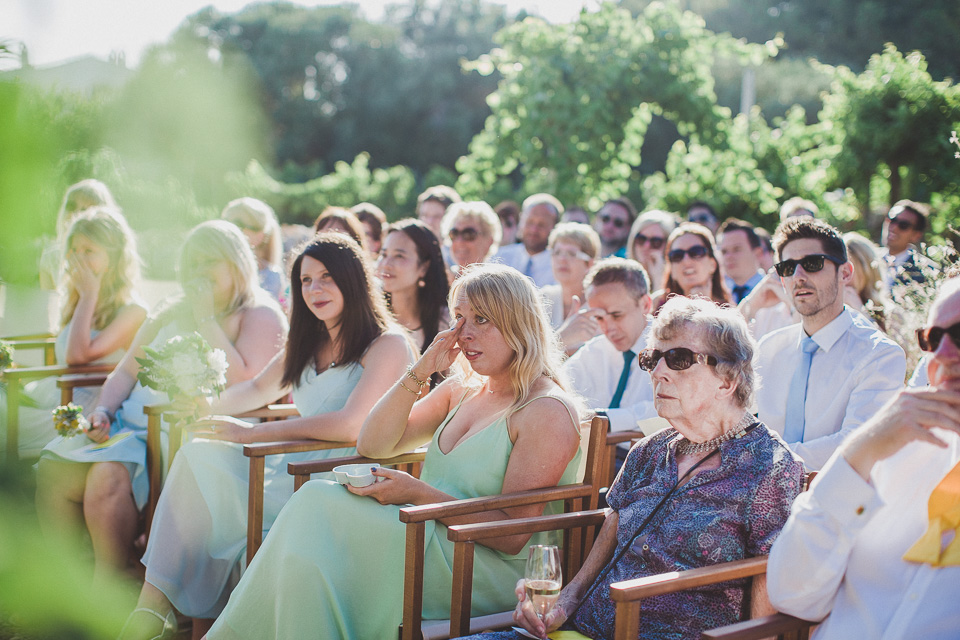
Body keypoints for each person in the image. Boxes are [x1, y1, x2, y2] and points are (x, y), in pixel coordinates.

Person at [204, 264, 584, 640]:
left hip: (481, 566)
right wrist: (421, 369)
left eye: (481, 319)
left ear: (519, 323)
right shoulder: (462, 390)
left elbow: (511, 535)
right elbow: (373, 444)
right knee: (308, 547)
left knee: (317, 513)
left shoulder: (545, 410)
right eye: (458, 318)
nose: (462, 333)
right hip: (422, 534)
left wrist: (416, 493)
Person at [120, 233, 416, 639]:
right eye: (306, 280)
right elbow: (257, 389)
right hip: (287, 469)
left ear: (353, 279)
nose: (314, 289)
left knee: (215, 489)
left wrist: (254, 434)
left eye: (327, 277)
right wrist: (202, 407)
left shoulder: (388, 344)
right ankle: (151, 609)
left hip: (341, 482)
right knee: (198, 454)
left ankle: (192, 619)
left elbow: (352, 424)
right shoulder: (307, 341)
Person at [468, 296, 805, 640]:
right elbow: (611, 526)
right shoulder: (649, 450)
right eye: (652, 359)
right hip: (585, 627)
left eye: (679, 359)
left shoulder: (770, 466)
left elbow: (767, 575)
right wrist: (565, 601)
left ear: (727, 380)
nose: (657, 372)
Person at [36, 220, 287, 586]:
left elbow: (246, 384)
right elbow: (125, 372)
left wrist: (205, 317)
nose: (198, 271)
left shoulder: (260, 314)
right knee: (53, 470)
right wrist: (103, 410)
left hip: (188, 430)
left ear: (236, 263)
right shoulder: (169, 309)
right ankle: (65, 581)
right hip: (129, 424)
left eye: (209, 261)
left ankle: (108, 582)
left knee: (107, 475)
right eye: (192, 263)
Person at [766, 274, 960, 639]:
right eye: (934, 339)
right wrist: (858, 452)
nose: (943, 356)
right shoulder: (888, 453)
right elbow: (793, 595)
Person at [755, 217, 906, 470]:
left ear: (845, 273)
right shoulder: (769, 347)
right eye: (787, 268)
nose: (798, 276)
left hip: (835, 493)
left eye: (812, 264)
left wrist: (762, 463)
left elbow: (858, 443)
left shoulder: (880, 355)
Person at [3, 207, 146, 458]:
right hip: (52, 396)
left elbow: (77, 357)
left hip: (82, 412)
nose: (79, 259)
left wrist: (89, 294)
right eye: (75, 250)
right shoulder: (76, 300)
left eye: (89, 251)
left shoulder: (132, 312)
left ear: (113, 259)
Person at [564, 258, 658, 436]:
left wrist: (605, 419)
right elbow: (547, 393)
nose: (608, 328)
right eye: (599, 318)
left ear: (645, 305)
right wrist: (561, 339)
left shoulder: (673, 348)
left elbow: (667, 412)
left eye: (617, 315)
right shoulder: (595, 350)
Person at [376, 219, 451, 356]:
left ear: (424, 267)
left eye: (399, 256)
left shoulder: (447, 323)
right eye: (384, 254)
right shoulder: (371, 318)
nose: (386, 264)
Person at [39, 178, 118, 290]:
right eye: (71, 207)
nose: (74, 214)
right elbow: (50, 300)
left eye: (85, 210)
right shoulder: (50, 259)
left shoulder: (113, 259)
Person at [539, 223, 601, 355]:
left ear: (590, 264)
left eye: (572, 254)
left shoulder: (601, 307)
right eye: (557, 252)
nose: (562, 259)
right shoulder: (542, 298)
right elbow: (526, 353)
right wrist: (563, 338)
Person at [652, 222, 731, 312]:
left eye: (696, 252)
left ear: (712, 264)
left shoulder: (728, 311)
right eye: (677, 255)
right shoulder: (657, 306)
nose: (686, 261)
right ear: (672, 270)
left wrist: (704, 305)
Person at [220, 197, 286, 305]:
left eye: (237, 225)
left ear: (259, 236)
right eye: (225, 223)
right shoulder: (209, 265)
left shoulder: (271, 277)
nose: (227, 230)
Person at [494, 193, 561, 288]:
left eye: (542, 224)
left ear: (554, 227)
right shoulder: (499, 258)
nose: (534, 230)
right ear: (521, 220)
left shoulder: (560, 267)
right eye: (530, 222)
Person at [880, 199, 935, 291]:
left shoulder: (927, 272)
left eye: (903, 225)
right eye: (892, 219)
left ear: (916, 235)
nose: (894, 227)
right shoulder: (867, 258)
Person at [626, 209, 677, 297]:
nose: (646, 246)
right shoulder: (623, 275)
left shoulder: (676, 279)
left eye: (655, 242)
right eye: (641, 239)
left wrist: (659, 278)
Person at [441, 201, 502, 274]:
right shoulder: (440, 277)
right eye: (454, 234)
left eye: (468, 234)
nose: (459, 241)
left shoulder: (498, 280)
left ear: (489, 241)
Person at [842, 232, 888, 326]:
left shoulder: (890, 313)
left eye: (847, 270)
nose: (842, 277)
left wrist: (860, 311)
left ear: (866, 270)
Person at [717, 218, 765, 303]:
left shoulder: (776, 291)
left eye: (736, 249)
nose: (728, 256)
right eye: (724, 252)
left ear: (758, 253)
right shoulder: (717, 296)